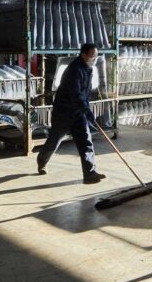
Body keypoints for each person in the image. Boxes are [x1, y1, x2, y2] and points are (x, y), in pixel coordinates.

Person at [36, 43, 106, 183]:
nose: (95, 59)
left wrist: (86, 110)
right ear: (84, 55)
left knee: (86, 141)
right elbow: (75, 93)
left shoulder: (88, 69)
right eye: (92, 56)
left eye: (96, 56)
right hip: (64, 111)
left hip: (78, 112)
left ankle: (90, 173)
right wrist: (86, 109)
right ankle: (42, 160)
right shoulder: (74, 70)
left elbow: (85, 93)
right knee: (54, 140)